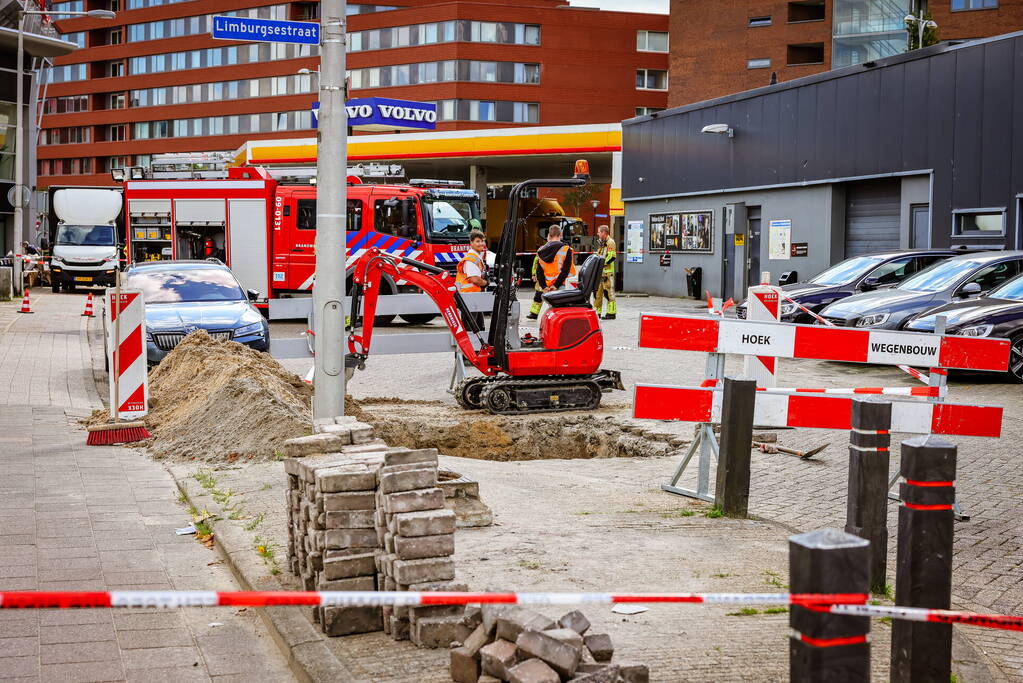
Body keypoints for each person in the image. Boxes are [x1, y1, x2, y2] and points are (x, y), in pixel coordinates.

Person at [527, 225, 575, 320]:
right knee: (561, 314)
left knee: (552, 311)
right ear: (560, 234)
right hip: (561, 286)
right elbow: (565, 271)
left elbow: (539, 271)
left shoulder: (541, 250)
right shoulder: (566, 249)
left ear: (549, 235)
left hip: (547, 287)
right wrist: (556, 285)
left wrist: (544, 286)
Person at [455, 229, 489, 329]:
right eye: (478, 241)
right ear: (471, 243)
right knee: (470, 328)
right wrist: (486, 283)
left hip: (474, 297)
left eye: (482, 241)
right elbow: (474, 279)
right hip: (469, 297)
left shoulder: (476, 256)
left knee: (478, 327)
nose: (481, 243)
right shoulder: (471, 259)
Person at [594, 224, 617, 320]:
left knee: (609, 293)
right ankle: (597, 313)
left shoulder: (610, 242)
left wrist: (602, 264)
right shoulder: (602, 243)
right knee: (597, 294)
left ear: (604, 233)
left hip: (607, 273)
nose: (598, 234)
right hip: (601, 273)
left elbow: (612, 256)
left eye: (599, 232)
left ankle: (611, 313)